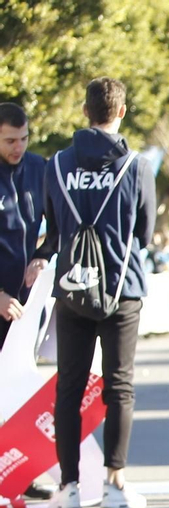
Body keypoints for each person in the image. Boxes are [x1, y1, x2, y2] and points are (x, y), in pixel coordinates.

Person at [39, 77, 157, 508]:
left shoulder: (56, 165)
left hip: (72, 288)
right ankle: (114, 482)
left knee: (68, 387)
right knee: (119, 386)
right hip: (122, 289)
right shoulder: (137, 167)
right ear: (121, 112)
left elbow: (53, 228)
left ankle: (68, 487)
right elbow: (143, 233)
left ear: (85, 111)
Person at [0, 101, 48, 353]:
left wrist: (43, 256)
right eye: (10, 141)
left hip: (24, 305)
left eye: (24, 138)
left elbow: (62, 223)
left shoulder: (39, 168)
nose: (19, 147)